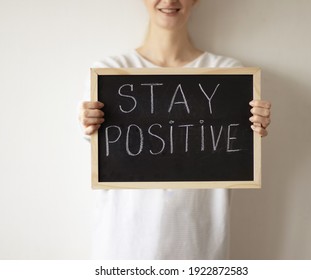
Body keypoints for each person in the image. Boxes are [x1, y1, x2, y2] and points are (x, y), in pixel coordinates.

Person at [79, 0, 271, 259]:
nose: (169, 1)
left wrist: (254, 129)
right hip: (123, 247)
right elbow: (100, 151)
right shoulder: (108, 73)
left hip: (199, 247)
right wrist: (88, 125)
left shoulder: (229, 75)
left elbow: (237, 151)